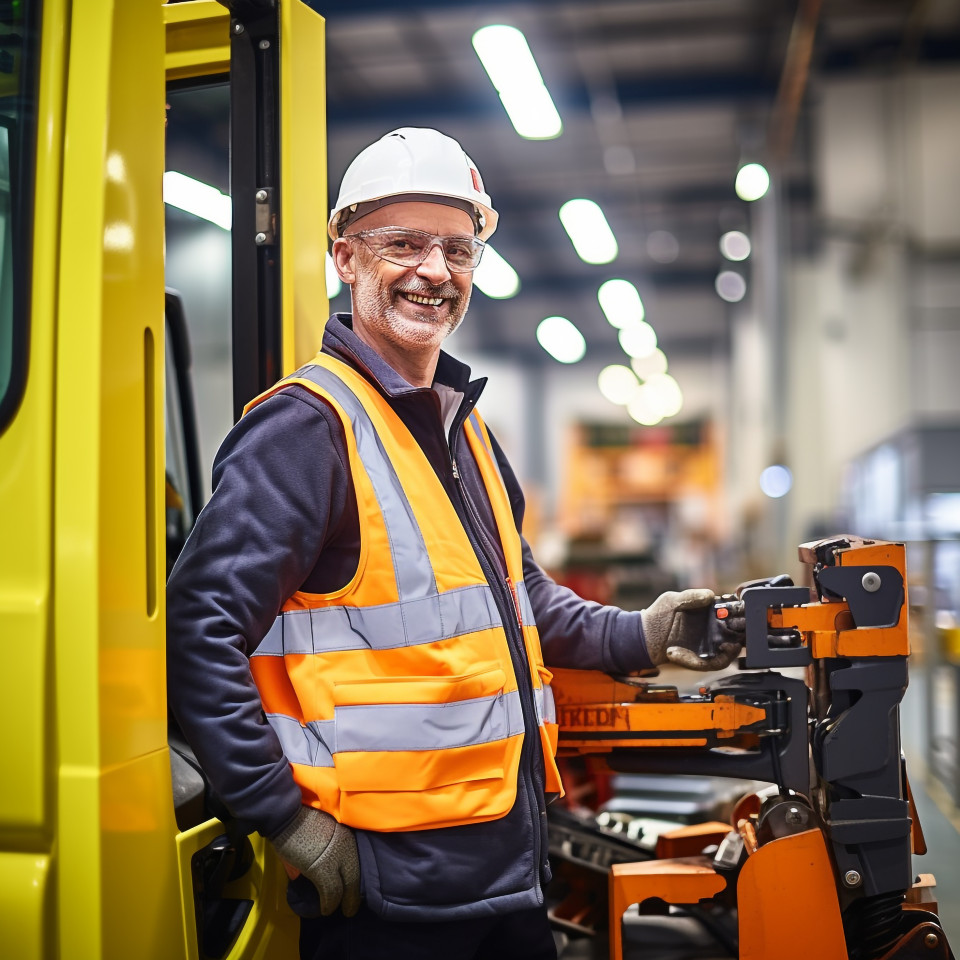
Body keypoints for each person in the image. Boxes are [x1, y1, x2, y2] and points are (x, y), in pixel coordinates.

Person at [166, 127, 742, 960]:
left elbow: (522, 599)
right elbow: (199, 628)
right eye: (402, 244)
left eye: (458, 249)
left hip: (504, 869)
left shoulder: (462, 428)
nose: (435, 271)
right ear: (345, 257)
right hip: (387, 893)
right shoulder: (305, 431)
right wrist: (283, 819)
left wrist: (640, 633)